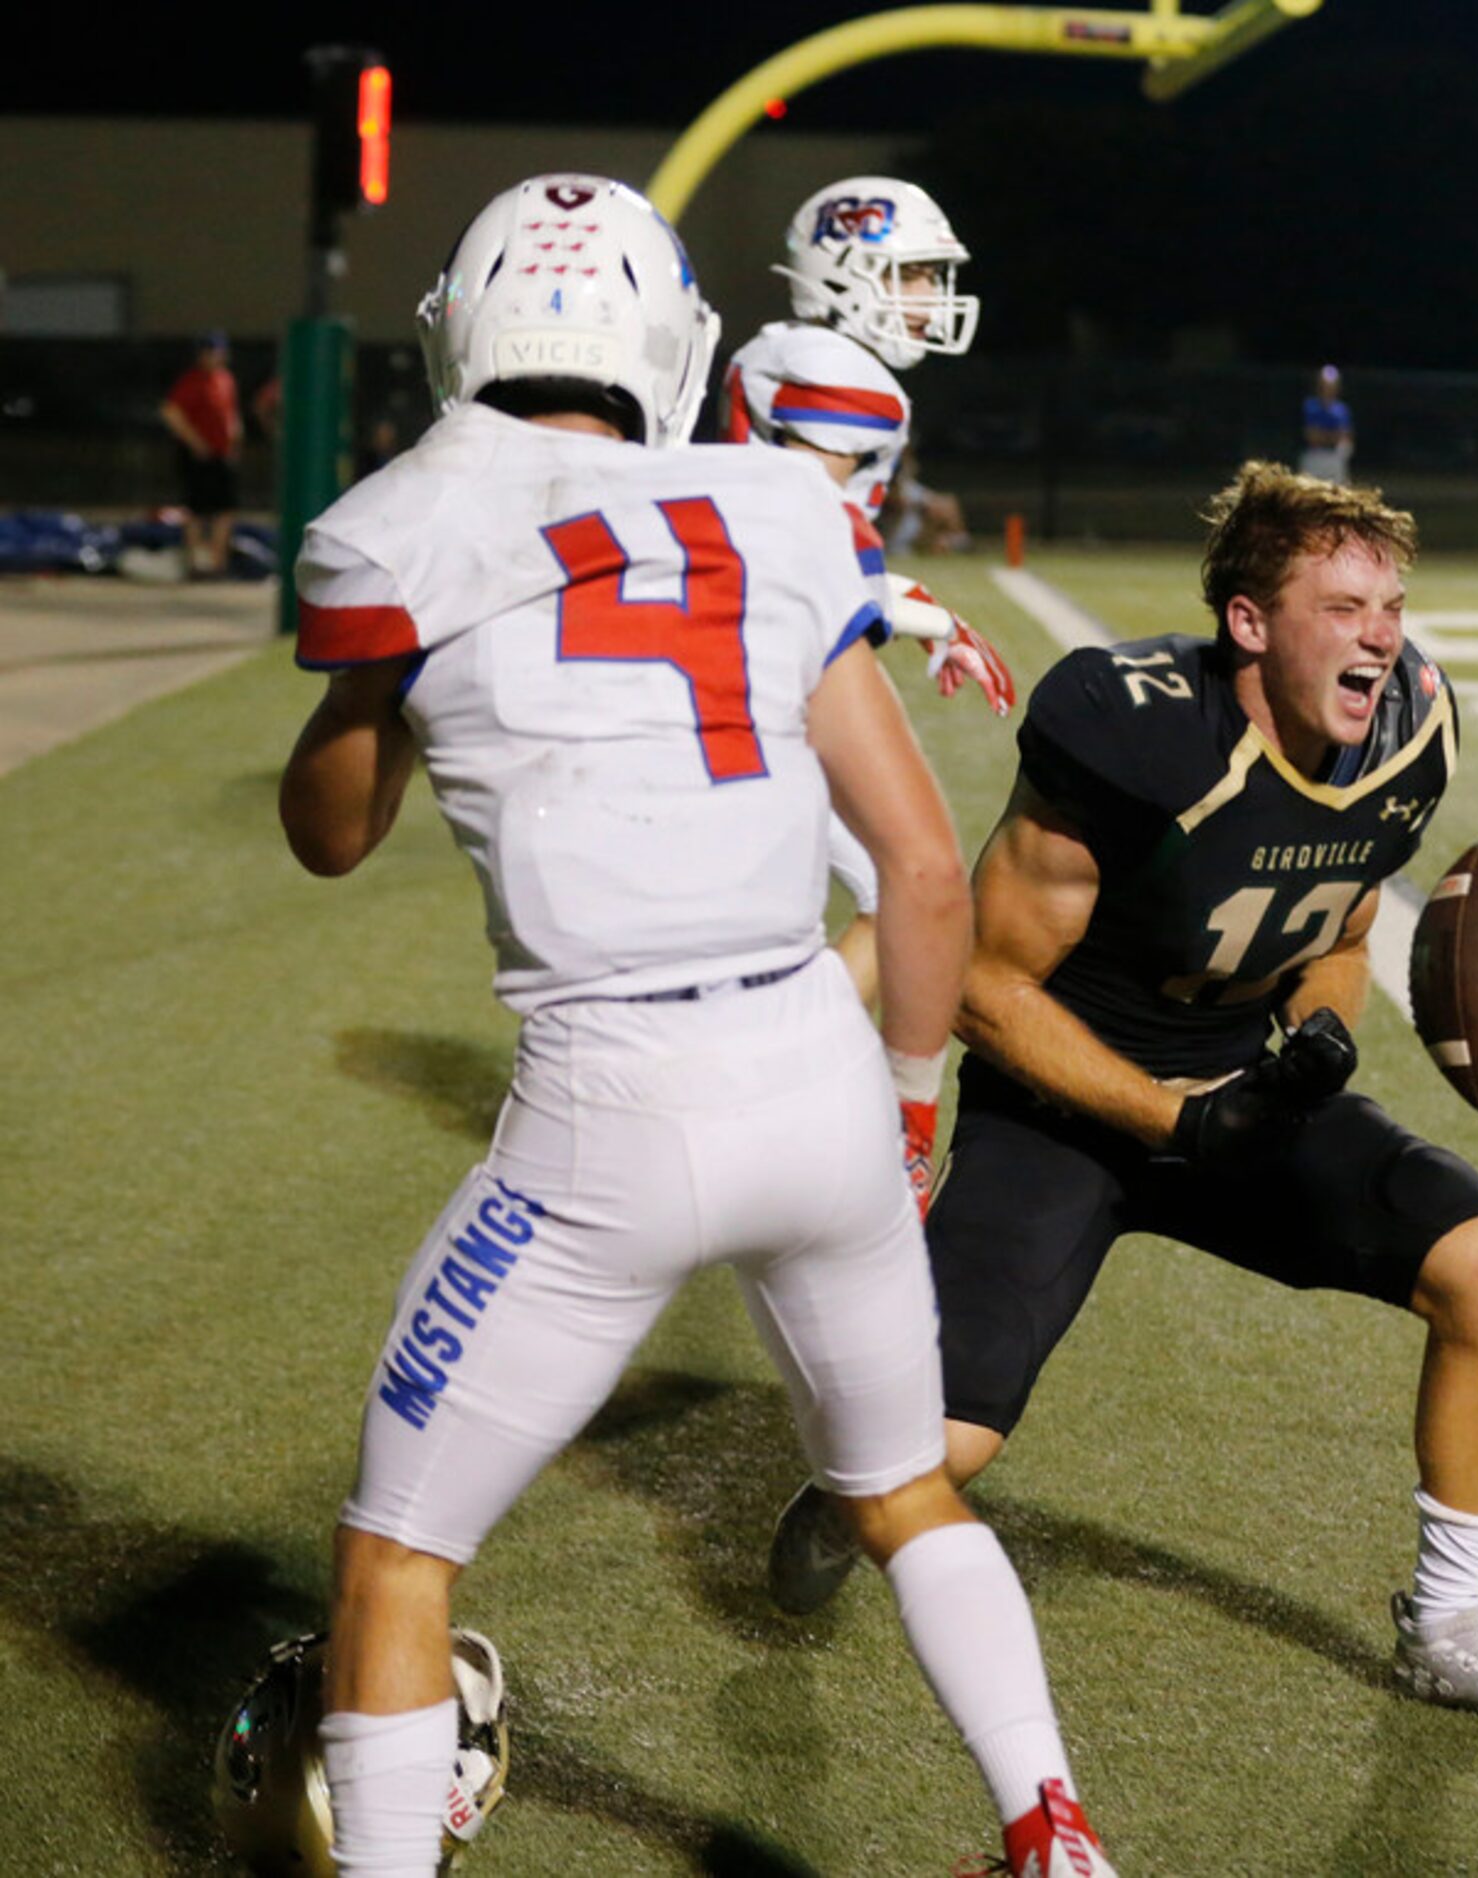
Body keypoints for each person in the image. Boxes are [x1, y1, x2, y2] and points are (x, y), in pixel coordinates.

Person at [279, 174, 1116, 1878]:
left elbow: (329, 829)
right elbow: (921, 876)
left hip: (615, 1102)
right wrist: (897, 1110)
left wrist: (374, 685)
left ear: (462, 327)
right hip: (817, 1056)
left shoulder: (397, 521)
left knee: (397, 1554)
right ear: (671, 341)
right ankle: (1052, 1826)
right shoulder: (773, 512)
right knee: (903, 1490)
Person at [765, 460, 1478, 1738]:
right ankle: (849, 1485)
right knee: (935, 1455)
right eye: (1343, 606)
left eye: (1390, 604)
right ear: (1251, 624)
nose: (1380, 635)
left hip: (1243, 1087)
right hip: (1064, 1097)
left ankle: (1447, 1626)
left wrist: (1316, 1043)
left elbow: (1335, 924)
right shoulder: (1134, 733)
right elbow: (988, 987)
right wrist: (1174, 1121)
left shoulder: (1414, 728)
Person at [720, 181, 1013, 1016]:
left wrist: (913, 602)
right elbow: (796, 552)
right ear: (847, 273)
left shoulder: (778, 349)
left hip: (752, 644)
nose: (931, 299)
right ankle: (791, 1067)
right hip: (774, 667)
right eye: (912, 276)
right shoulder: (844, 378)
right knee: (909, 886)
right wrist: (922, 614)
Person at [160, 330, 241, 578]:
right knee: (195, 510)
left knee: (225, 511)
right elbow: (170, 413)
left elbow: (230, 414)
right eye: (210, 352)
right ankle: (194, 564)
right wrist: (196, 443)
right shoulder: (192, 382)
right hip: (199, 457)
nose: (215, 357)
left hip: (222, 455)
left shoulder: (225, 379)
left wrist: (235, 441)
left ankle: (219, 564)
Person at [1299, 364, 1354, 483]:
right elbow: (1311, 436)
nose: (1328, 389)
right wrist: (1333, 436)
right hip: (1314, 457)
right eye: (1325, 385)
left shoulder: (1342, 410)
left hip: (1334, 459)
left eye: (1331, 386)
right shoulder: (1310, 406)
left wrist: (1324, 436)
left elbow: (1345, 438)